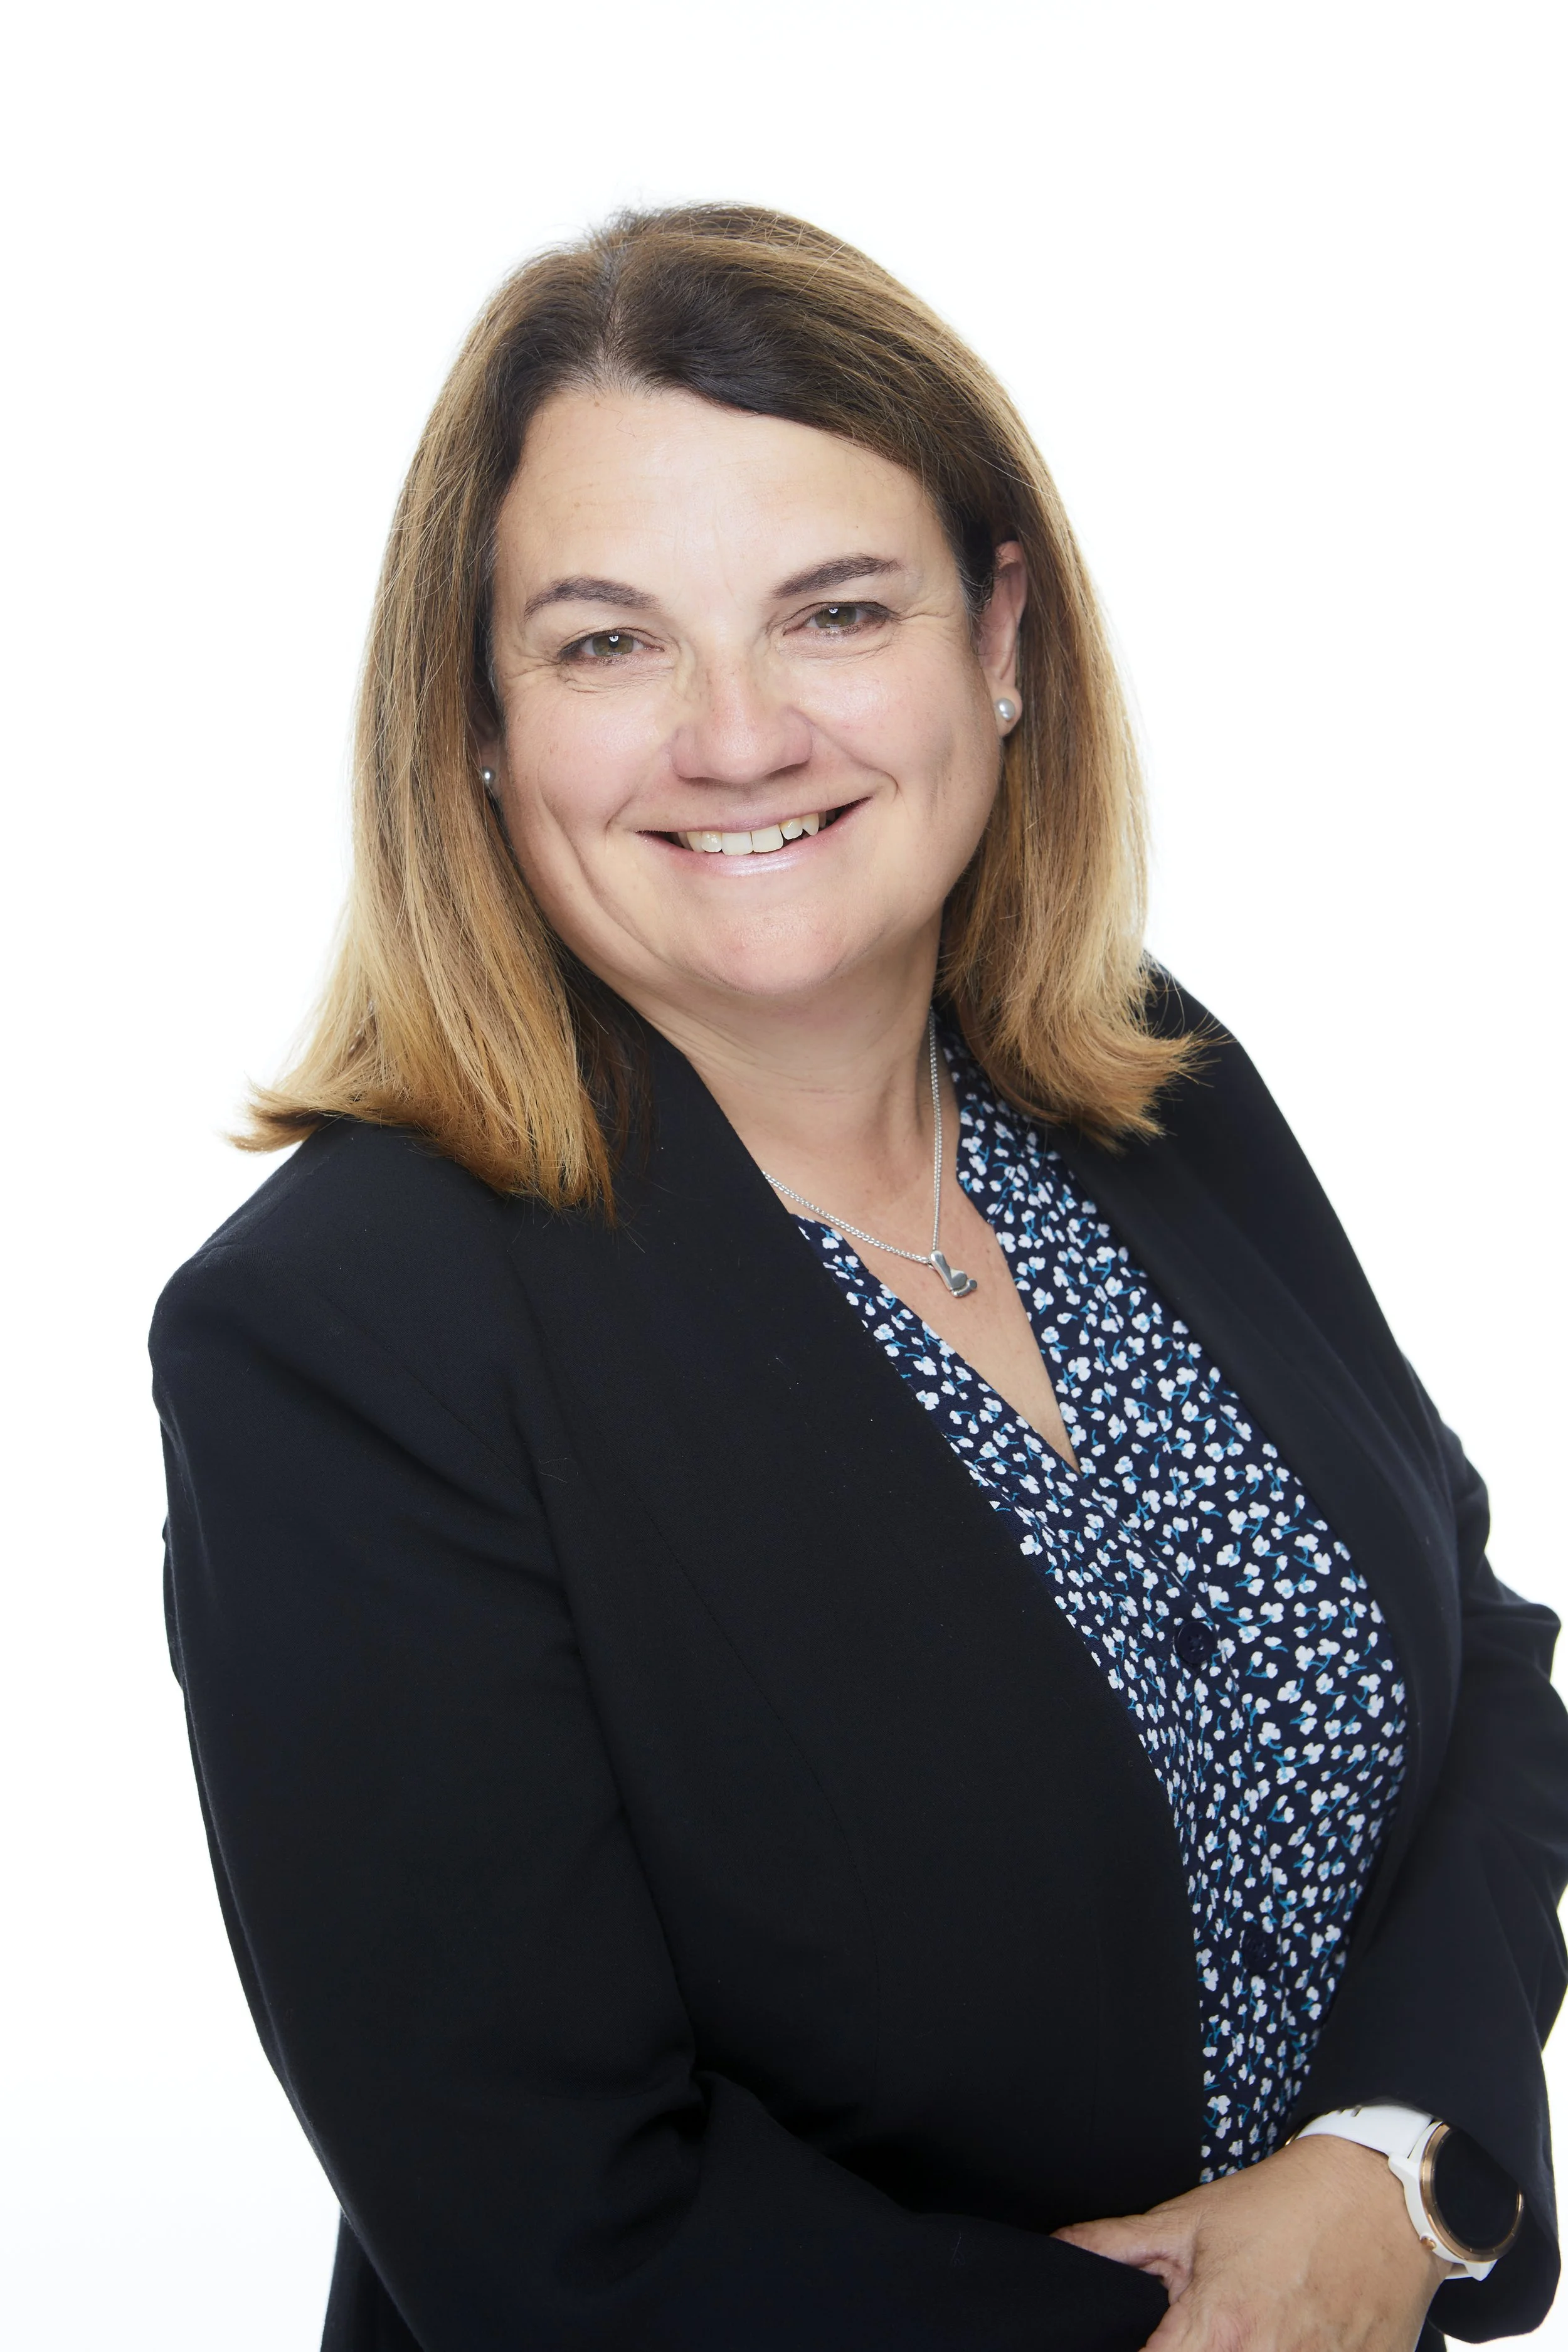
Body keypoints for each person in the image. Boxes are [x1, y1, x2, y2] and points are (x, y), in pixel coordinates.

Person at [151, 205, 1568, 2352]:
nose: (736, 736)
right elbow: (562, 2238)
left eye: (831, 610)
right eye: (608, 642)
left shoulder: (1148, 1087)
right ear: (477, 718)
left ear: (999, 637)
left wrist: (1395, 2161)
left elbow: (1472, 1654)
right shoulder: (346, 1336)